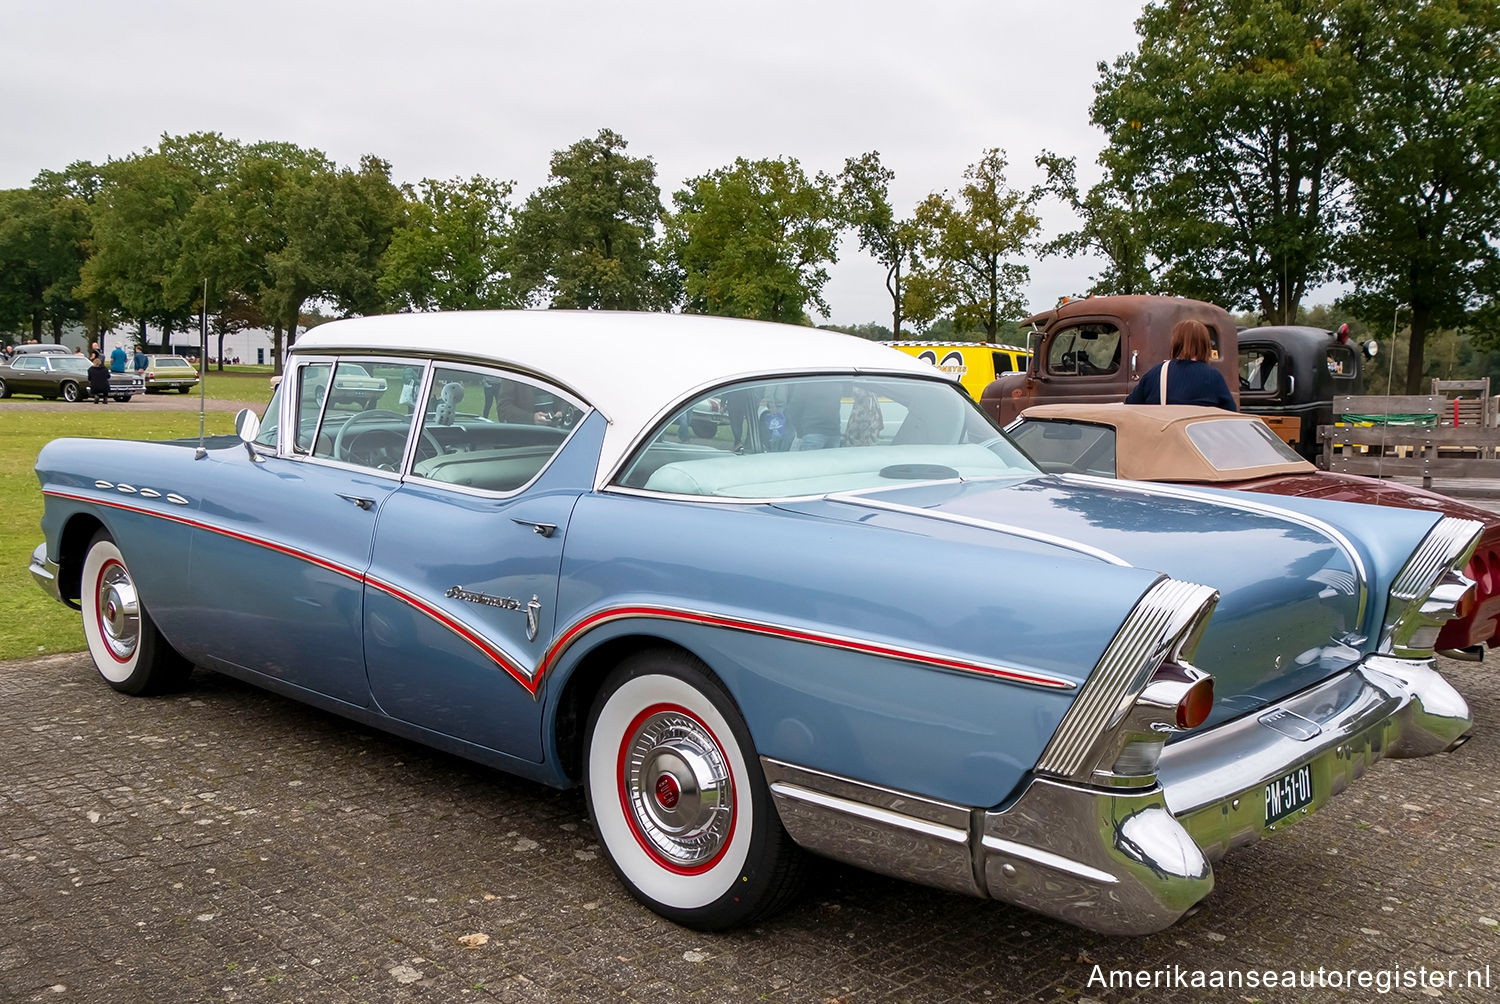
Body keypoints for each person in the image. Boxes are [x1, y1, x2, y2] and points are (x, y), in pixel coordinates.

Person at [1124, 319, 1237, 411]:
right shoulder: (1213, 377)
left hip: (1164, 437)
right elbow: (1230, 414)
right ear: (1205, 345)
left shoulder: (1156, 374)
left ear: (1175, 343)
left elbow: (1130, 406)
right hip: (1197, 438)